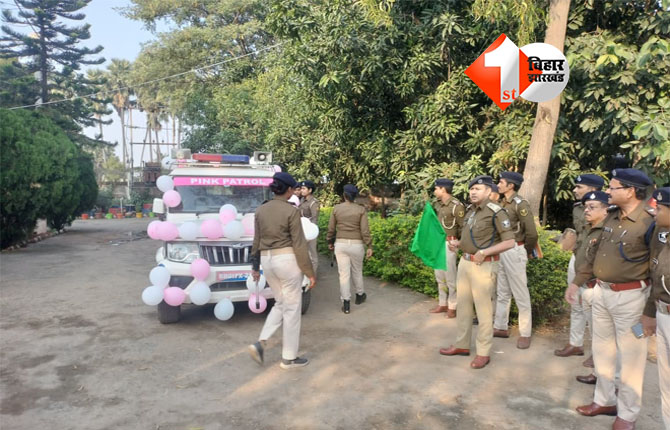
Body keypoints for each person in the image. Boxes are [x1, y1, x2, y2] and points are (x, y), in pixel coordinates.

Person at [568, 168, 654, 429]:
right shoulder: (612, 216)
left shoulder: (649, 222)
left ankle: (627, 414)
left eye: (613, 187)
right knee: (602, 350)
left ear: (630, 191)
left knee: (631, 358)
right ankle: (604, 400)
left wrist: (649, 312)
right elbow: (593, 253)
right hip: (602, 293)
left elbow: (660, 266)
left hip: (632, 298)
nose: (607, 191)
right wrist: (577, 282)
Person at [439, 175, 515, 369]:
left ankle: (483, 352)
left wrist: (485, 252)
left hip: (484, 266)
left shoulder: (496, 212)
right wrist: (458, 244)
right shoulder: (471, 211)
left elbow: (509, 242)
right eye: (472, 189)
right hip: (465, 262)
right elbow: (471, 237)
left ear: (489, 192)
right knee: (463, 307)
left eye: (478, 189)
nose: (473, 192)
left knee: (483, 311)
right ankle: (462, 345)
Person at [248, 172, 316, 370]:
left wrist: (255, 267)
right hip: (286, 260)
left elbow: (256, 241)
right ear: (288, 190)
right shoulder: (291, 211)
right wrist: (309, 272)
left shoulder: (261, 210)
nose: (294, 191)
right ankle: (289, 358)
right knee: (292, 308)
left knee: (281, 303)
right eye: (294, 188)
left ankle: (261, 342)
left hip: (267, 260)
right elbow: (299, 244)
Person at [556, 174, 605, 362]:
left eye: (579, 187)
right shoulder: (578, 208)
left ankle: (597, 353)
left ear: (593, 189)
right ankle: (575, 343)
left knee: (594, 310)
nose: (574, 190)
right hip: (577, 257)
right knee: (575, 302)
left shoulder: (607, 209)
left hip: (594, 262)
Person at [493, 171, 538, 349]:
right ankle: (500, 326)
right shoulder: (502, 202)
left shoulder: (520, 204)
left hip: (515, 249)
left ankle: (525, 333)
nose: (498, 184)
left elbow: (531, 233)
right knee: (502, 291)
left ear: (511, 185)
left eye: (501, 182)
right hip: (502, 249)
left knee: (520, 293)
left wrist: (524, 251)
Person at [569, 191, 610, 385]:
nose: (586, 210)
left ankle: (608, 378)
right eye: (586, 207)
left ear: (605, 210)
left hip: (598, 288)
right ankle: (597, 372)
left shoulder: (607, 231)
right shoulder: (588, 228)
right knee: (596, 334)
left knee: (603, 336)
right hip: (585, 286)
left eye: (592, 207)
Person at [642, 187, 670, 429]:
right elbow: (657, 278)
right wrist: (650, 313)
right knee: (666, 385)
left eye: (659, 209)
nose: (654, 213)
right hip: (662, 313)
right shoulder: (663, 238)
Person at [326, 184, 373, 314]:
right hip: (357, 244)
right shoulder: (360, 210)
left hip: (341, 244)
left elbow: (331, 228)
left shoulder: (336, 209)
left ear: (344, 195)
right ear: (355, 196)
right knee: (357, 271)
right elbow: (365, 230)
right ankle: (360, 295)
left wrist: (330, 241)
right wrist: (369, 245)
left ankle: (346, 303)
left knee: (344, 274)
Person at [429, 178, 465, 318]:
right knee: (439, 276)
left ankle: (452, 306)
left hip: (450, 243)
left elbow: (463, 227)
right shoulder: (438, 205)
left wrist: (460, 243)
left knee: (450, 276)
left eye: (436, 188)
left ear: (443, 189)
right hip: (438, 243)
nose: (434, 191)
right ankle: (442, 303)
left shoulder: (456, 206)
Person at [299, 180, 321, 275]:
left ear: (310, 190)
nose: (301, 190)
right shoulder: (302, 200)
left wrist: (310, 233)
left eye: (304, 188)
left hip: (310, 231)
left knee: (312, 255)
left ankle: (312, 276)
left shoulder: (314, 202)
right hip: (302, 230)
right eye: (301, 188)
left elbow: (314, 218)